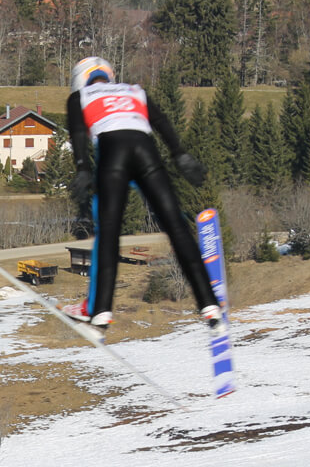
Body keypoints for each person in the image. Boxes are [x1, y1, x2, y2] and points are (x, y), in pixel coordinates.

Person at [61, 56, 222, 340]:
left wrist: (83, 168)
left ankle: (99, 314)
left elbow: (78, 135)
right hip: (147, 152)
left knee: (108, 233)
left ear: (80, 79)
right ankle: (210, 307)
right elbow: (161, 121)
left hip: (112, 154)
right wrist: (180, 154)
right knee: (176, 228)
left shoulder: (79, 96)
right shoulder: (134, 90)